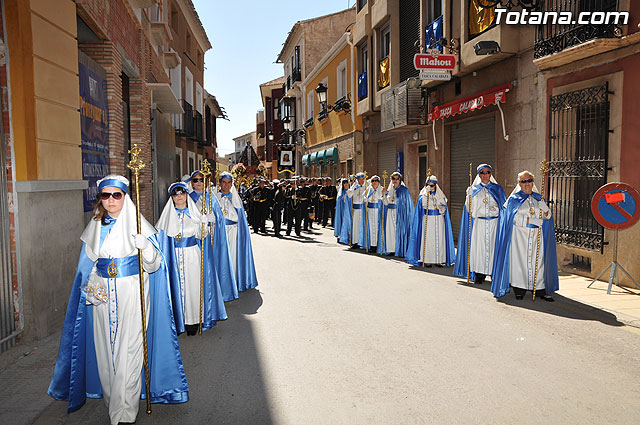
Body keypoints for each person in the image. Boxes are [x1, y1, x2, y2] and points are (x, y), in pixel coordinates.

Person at [48, 175, 188, 425]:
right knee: (105, 353)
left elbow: (155, 266)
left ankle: (124, 412)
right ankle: (114, 402)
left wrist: (146, 248)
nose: (111, 200)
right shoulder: (96, 224)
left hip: (132, 292)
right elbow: (88, 262)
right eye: (105, 195)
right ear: (100, 199)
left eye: (117, 195)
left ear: (125, 196)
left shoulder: (138, 224)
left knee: (129, 351)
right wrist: (93, 283)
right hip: (103, 299)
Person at [156, 182, 228, 336]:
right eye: (176, 194)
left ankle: (193, 320)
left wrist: (205, 225)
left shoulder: (195, 213)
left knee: (192, 287)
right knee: (177, 287)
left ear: (187, 195)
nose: (179, 196)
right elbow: (161, 238)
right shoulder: (167, 216)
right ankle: (178, 320)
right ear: (172, 197)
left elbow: (202, 236)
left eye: (182, 193)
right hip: (174, 257)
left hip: (192, 256)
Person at [491, 171, 558, 301]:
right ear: (519, 183)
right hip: (519, 236)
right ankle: (519, 288)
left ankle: (539, 289)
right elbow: (512, 218)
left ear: (533, 182)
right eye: (524, 181)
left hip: (536, 236)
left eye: (529, 180)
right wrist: (532, 221)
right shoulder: (514, 199)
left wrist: (545, 211)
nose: (527, 184)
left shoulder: (539, 198)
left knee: (538, 262)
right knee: (519, 261)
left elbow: (548, 216)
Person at [184, 170, 238, 302]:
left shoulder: (211, 197)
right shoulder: (188, 198)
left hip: (212, 235)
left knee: (213, 263)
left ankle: (215, 291)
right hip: (196, 237)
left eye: (201, 180)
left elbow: (219, 218)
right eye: (195, 180)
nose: (199, 183)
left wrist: (213, 220)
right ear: (192, 182)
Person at [454, 164, 507, 284]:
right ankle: (479, 274)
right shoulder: (475, 189)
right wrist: (469, 196)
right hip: (480, 223)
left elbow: (504, 207)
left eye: (487, 172)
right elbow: (469, 209)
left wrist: (495, 209)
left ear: (491, 174)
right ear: (479, 175)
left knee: (494, 248)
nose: (485, 175)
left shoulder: (497, 189)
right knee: (479, 248)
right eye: (482, 172)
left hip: (494, 223)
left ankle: (494, 273)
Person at [213, 172, 259, 292]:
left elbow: (241, 220)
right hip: (220, 232)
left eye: (229, 182)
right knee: (221, 256)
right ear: (220, 183)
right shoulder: (214, 198)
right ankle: (221, 282)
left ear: (232, 184)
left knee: (233, 257)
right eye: (224, 182)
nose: (226, 185)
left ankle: (234, 282)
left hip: (233, 232)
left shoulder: (236, 199)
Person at [406, 175, 455, 267]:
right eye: (428, 185)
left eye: (432, 185)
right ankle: (427, 259)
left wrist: (442, 207)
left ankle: (439, 260)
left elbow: (444, 204)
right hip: (428, 220)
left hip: (439, 219)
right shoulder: (423, 195)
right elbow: (421, 205)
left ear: (435, 186)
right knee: (428, 239)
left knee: (439, 239)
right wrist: (426, 195)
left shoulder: (440, 195)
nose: (431, 187)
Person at [379, 172, 414, 257]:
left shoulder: (404, 190)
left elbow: (407, 204)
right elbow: (386, 203)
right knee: (390, 231)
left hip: (400, 213)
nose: (395, 180)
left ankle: (400, 249)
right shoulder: (389, 191)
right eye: (393, 179)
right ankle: (391, 249)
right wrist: (383, 195)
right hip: (390, 213)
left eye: (397, 179)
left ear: (400, 180)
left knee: (398, 231)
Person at [359, 175, 384, 252]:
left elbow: (383, 199)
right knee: (370, 227)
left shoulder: (382, 189)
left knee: (377, 228)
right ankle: (371, 245)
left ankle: (377, 245)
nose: (374, 182)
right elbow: (364, 198)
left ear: (379, 182)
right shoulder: (368, 189)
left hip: (377, 211)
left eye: (376, 181)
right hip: (370, 211)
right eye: (372, 181)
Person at [346, 172, 366, 248]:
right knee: (356, 226)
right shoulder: (354, 186)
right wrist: (353, 189)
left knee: (363, 226)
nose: (361, 181)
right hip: (356, 209)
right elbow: (349, 195)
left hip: (363, 209)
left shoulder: (366, 186)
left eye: (362, 179)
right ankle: (355, 242)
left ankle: (363, 242)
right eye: (359, 179)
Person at [335, 178, 352, 244]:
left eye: (346, 183)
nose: (346, 184)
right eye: (344, 183)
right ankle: (341, 235)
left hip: (348, 210)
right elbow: (339, 201)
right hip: (342, 210)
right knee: (341, 222)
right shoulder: (341, 193)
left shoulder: (350, 191)